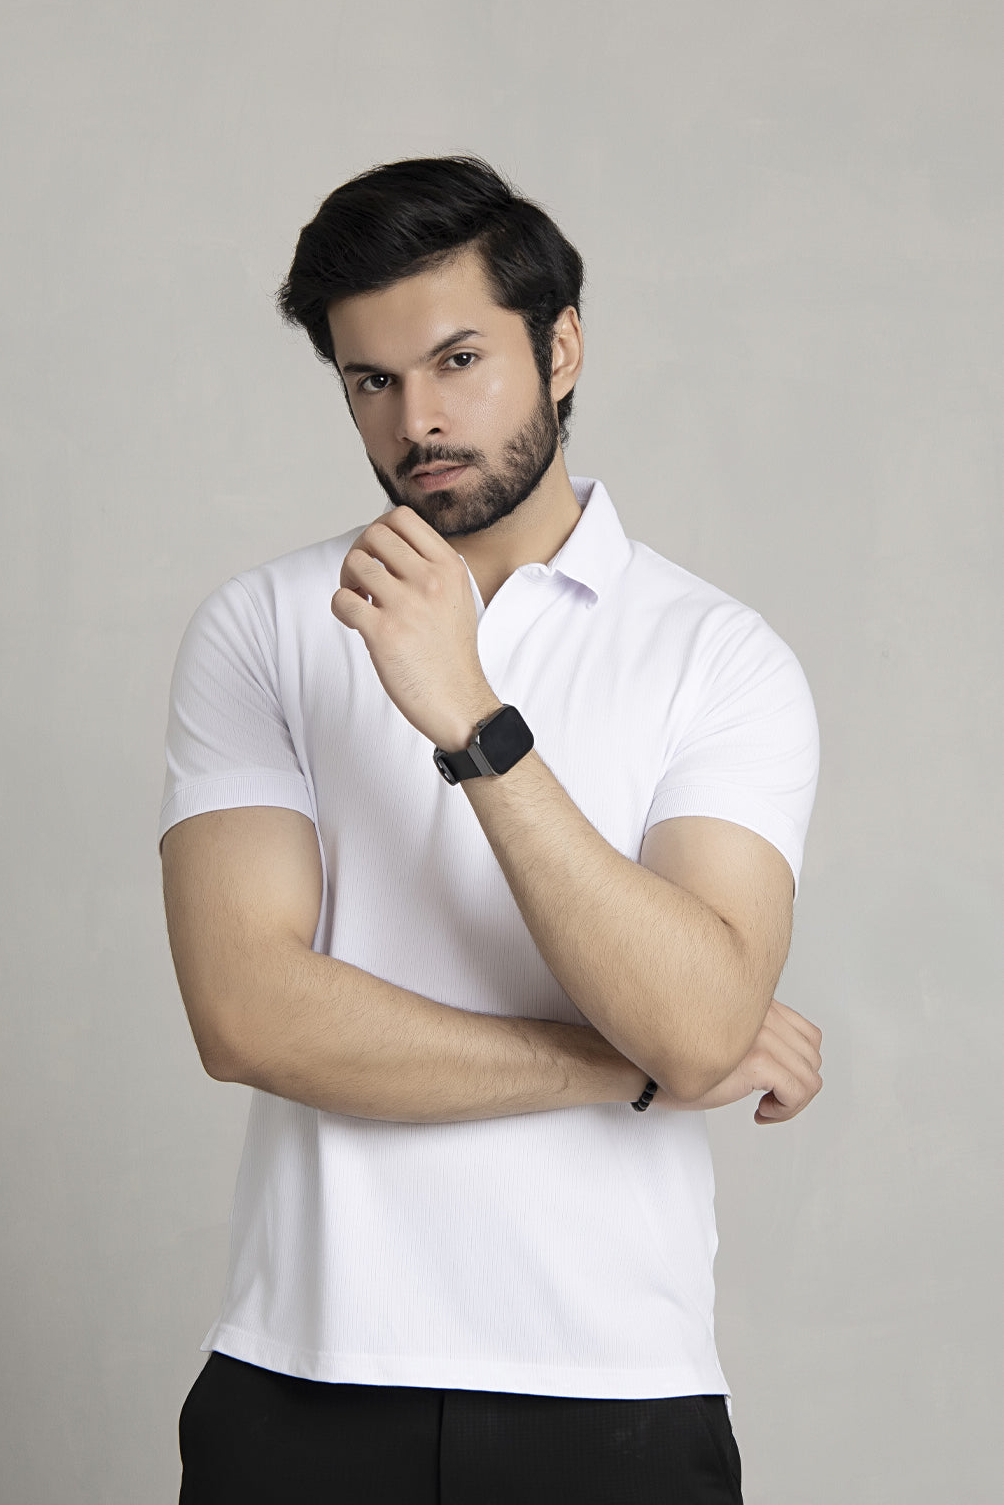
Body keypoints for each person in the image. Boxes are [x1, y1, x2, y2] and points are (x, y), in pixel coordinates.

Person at [159, 156, 822, 1504]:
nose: (417, 419)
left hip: (617, 1398)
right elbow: (246, 1016)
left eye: (459, 360)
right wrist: (628, 1068)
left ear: (560, 347)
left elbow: (701, 1025)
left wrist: (469, 713)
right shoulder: (266, 626)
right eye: (371, 380)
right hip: (301, 1380)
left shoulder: (717, 656)